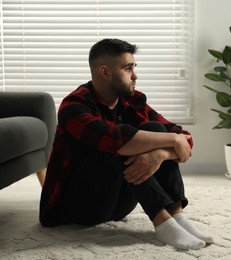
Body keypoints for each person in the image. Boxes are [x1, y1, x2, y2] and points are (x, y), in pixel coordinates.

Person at [39, 38, 213, 250]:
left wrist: (159, 154)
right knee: (114, 142)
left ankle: (177, 216)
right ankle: (162, 222)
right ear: (105, 72)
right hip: (78, 208)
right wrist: (172, 141)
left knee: (154, 129)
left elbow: (183, 139)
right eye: (128, 68)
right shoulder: (74, 105)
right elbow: (116, 140)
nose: (135, 75)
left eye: (134, 67)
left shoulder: (132, 102)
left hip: (118, 205)